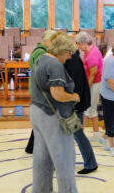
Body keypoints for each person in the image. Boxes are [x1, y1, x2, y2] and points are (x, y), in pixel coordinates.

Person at [30, 33, 79, 193]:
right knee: (64, 159)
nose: (70, 57)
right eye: (68, 52)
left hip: (36, 111)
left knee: (42, 159)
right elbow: (57, 93)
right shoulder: (55, 65)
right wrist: (74, 96)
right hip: (52, 115)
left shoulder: (40, 59)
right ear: (61, 50)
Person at [64, 49, 98, 174]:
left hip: (74, 104)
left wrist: (72, 103)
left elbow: (74, 85)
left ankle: (91, 163)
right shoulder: (73, 59)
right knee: (71, 134)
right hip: (73, 103)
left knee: (77, 133)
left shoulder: (72, 60)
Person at [25, 30, 57, 154]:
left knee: (41, 120)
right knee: (43, 120)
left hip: (37, 88)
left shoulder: (39, 51)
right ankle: (36, 147)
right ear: (48, 40)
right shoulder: (41, 52)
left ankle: (31, 146)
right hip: (40, 89)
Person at [75, 32, 103, 141]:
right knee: (92, 110)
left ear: (84, 43)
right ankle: (96, 135)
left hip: (94, 83)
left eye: (79, 44)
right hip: (93, 82)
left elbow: (93, 73)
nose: (78, 47)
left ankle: (79, 136)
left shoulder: (92, 54)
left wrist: (86, 88)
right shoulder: (88, 51)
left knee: (86, 108)